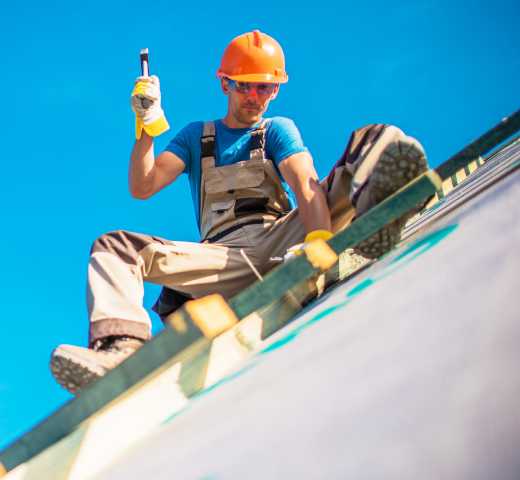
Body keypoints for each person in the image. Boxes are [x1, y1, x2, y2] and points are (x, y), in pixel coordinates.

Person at [49, 31, 429, 394]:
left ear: (277, 88)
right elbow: (143, 186)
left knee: (376, 139)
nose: (254, 96)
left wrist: (318, 242)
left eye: (266, 87)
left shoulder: (276, 130)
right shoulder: (196, 137)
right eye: (244, 85)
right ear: (225, 84)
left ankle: (385, 210)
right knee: (114, 247)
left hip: (283, 238)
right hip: (223, 259)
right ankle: (121, 350)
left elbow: (304, 183)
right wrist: (146, 125)